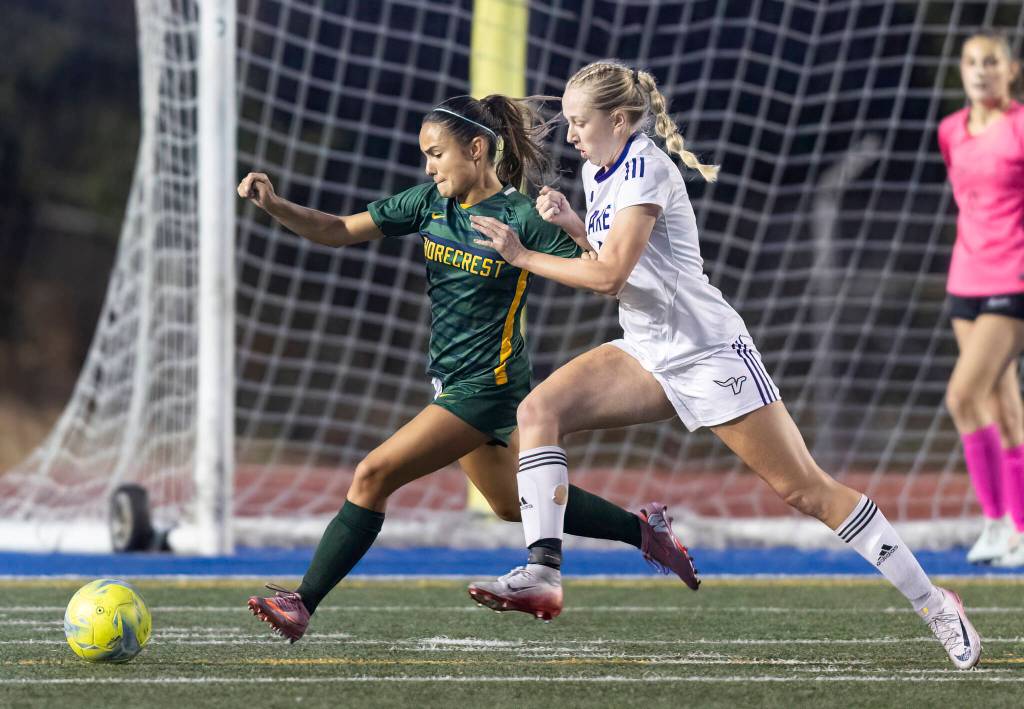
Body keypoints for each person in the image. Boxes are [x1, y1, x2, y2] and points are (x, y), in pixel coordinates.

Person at [466, 61, 982, 669]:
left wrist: (523, 254)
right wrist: (576, 227)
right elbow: (612, 265)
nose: (572, 135)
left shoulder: (647, 167)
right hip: (647, 348)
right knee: (538, 411)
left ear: (620, 120)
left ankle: (935, 603)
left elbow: (609, 276)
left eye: (581, 122)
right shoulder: (596, 168)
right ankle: (543, 574)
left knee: (805, 490)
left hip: (708, 353)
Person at [241, 94, 699, 643]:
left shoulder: (520, 217)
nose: (429, 166)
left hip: (488, 387)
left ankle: (301, 602)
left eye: (436, 154)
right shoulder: (429, 204)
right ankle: (646, 532)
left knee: (373, 474)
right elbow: (338, 229)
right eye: (425, 156)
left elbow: (599, 271)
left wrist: (572, 229)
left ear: (476, 150)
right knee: (511, 505)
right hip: (454, 382)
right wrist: (275, 205)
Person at [938, 31, 1024, 567]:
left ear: (1010, 70)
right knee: (1002, 404)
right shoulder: (950, 130)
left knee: (962, 395)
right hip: (963, 281)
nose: (980, 71)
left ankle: (995, 522)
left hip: (1012, 280)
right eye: (971, 62)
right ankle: (1016, 527)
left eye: (991, 62)